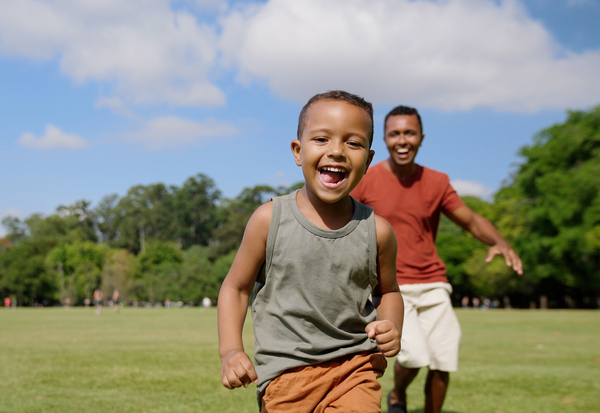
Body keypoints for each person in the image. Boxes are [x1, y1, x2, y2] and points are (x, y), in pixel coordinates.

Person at [218, 90, 404, 413]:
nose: (337, 151)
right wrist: (231, 351)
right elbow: (236, 287)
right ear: (298, 150)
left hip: (354, 368)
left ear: (369, 160)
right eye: (321, 139)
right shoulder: (268, 220)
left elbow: (389, 292)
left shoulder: (378, 232)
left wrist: (391, 326)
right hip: (285, 376)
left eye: (353, 143)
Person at [350, 105, 523, 413]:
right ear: (384, 139)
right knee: (415, 356)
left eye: (409, 133)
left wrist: (499, 241)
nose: (402, 140)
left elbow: (470, 220)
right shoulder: (367, 180)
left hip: (433, 283)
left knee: (444, 358)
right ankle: (398, 394)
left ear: (421, 137)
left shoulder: (436, 181)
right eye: (395, 134)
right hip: (391, 287)